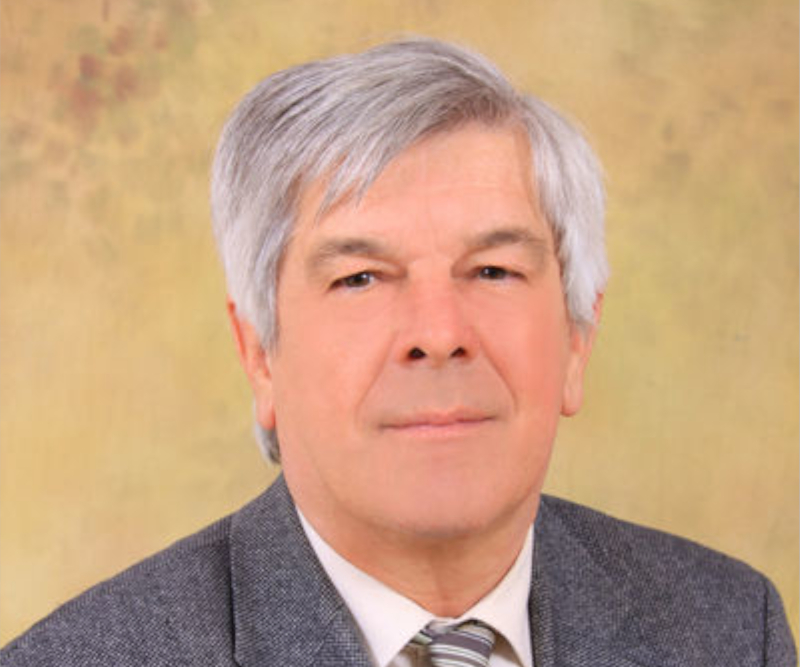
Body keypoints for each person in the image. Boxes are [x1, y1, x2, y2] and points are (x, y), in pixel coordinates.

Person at [1, 38, 795, 667]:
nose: (438, 332)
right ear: (260, 355)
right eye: (360, 278)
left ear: (578, 337)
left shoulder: (727, 630)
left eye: (493, 269)